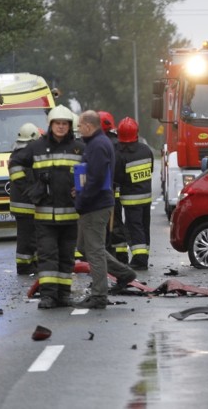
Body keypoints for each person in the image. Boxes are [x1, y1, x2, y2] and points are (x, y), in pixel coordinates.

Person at [9, 105, 84, 308]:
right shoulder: (37, 147)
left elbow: (91, 172)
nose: (61, 127)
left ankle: (63, 295)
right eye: (57, 123)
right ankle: (48, 296)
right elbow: (15, 164)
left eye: (64, 124)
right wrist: (30, 189)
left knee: (66, 258)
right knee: (48, 257)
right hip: (44, 216)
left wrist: (82, 190)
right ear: (50, 125)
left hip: (70, 216)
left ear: (69, 126)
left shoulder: (79, 148)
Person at [74, 110, 137, 309]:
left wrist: (82, 200)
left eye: (79, 125)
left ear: (88, 125)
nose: (77, 129)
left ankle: (99, 295)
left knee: (94, 251)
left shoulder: (98, 145)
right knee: (86, 247)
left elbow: (96, 178)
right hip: (95, 203)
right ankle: (124, 273)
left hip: (95, 205)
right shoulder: (97, 143)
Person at [115, 117, 154, 270]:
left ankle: (139, 259)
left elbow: (117, 178)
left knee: (134, 228)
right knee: (144, 226)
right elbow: (150, 170)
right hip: (146, 196)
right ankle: (144, 255)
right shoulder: (146, 150)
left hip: (131, 200)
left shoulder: (119, 154)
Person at [8, 122, 42, 275]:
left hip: (24, 202)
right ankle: (24, 266)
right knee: (26, 237)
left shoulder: (17, 152)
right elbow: (23, 180)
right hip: (25, 203)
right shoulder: (25, 155)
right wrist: (34, 192)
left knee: (31, 236)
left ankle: (32, 262)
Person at [98, 110, 129, 264]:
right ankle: (121, 257)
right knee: (116, 223)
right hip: (115, 190)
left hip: (99, 192)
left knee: (99, 224)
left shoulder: (93, 142)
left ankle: (104, 255)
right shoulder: (117, 143)